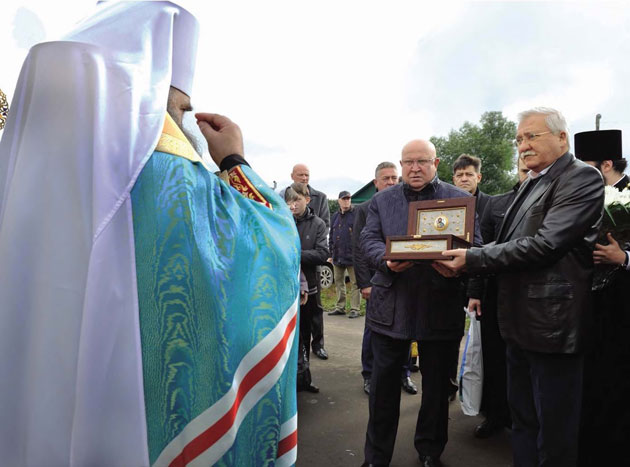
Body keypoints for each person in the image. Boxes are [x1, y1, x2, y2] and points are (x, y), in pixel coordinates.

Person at [0, 3, 300, 466]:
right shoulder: (160, 175)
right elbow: (271, 243)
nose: (181, 121)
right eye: (179, 106)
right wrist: (235, 162)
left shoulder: (24, 175)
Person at [438, 107, 604, 467]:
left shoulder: (581, 178)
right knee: (524, 423)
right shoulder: (533, 181)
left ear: (562, 138)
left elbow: (546, 244)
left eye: (532, 136)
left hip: (553, 330)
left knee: (555, 432)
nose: (523, 145)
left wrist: (473, 258)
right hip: (518, 327)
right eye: (518, 139)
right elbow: (506, 243)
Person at [360, 140, 482, 467]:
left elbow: (477, 246)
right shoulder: (382, 200)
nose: (414, 168)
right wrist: (385, 261)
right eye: (408, 162)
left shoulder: (460, 200)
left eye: (422, 161)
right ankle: (376, 457)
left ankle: (430, 451)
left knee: (436, 390)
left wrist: (461, 264)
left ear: (436, 162)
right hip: (391, 307)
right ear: (401, 165)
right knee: (383, 392)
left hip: (439, 304)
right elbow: (368, 240)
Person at [574, 129, 630, 466]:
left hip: (623, 307)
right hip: (588, 304)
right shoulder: (590, 197)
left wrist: (623, 259)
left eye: (588, 166)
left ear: (606, 163)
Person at [466, 156, 529, 439]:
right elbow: (481, 251)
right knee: (494, 358)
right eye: (523, 169)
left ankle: (526, 420)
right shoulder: (497, 203)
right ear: (517, 169)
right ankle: (494, 415)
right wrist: (475, 293)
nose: (528, 173)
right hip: (496, 294)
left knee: (528, 364)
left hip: (533, 298)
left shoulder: (556, 199)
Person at [352, 162, 417, 396]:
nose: (391, 182)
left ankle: (404, 373)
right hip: (378, 281)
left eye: (394, 178)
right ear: (376, 183)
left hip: (405, 280)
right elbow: (359, 250)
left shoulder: (408, 205)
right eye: (386, 178)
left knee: (407, 326)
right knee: (374, 330)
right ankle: (370, 374)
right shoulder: (365, 209)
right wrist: (365, 283)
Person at [286, 183, 331, 362]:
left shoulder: (318, 224)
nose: (293, 204)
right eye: (289, 200)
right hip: (286, 284)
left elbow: (322, 253)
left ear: (307, 199)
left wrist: (294, 254)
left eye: (297, 199)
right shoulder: (283, 222)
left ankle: (314, 352)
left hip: (310, 283)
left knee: (310, 321)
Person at [328, 190, 361, 318]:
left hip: (352, 256)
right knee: (339, 282)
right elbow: (331, 235)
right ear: (339, 201)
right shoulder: (335, 216)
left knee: (355, 283)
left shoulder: (356, 214)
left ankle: (355, 309)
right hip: (337, 256)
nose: (346, 201)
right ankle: (340, 307)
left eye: (348, 199)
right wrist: (331, 253)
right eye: (344, 199)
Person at [284, 163, 331, 230]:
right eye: (300, 175)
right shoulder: (282, 196)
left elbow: (325, 225)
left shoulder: (321, 198)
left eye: (307, 175)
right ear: (292, 176)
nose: (304, 178)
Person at [452, 153, 492, 219]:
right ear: (454, 180)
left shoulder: (490, 204)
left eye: (469, 174)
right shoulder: (446, 205)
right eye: (459, 175)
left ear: (478, 178)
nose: (464, 179)